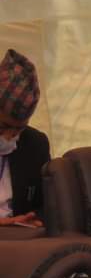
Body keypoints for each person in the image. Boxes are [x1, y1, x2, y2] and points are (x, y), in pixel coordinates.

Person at [0, 49, 47, 228]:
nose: (10, 136)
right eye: (3, 126)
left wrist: (34, 219)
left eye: (18, 128)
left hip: (20, 238)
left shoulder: (35, 144)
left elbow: (46, 204)